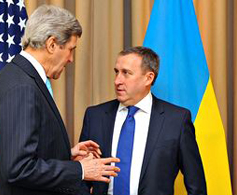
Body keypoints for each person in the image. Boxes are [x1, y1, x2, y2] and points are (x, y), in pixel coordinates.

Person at [0, 5, 120, 195]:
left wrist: (66, 154)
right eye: (70, 49)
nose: (71, 59)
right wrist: (81, 170)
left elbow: (24, 150)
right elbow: (19, 168)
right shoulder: (22, 87)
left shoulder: (20, 76)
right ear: (51, 44)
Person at [79, 46, 207, 195]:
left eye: (126, 73)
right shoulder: (95, 116)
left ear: (148, 78)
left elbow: (196, 184)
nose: (117, 81)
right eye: (116, 72)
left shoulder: (177, 120)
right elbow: (82, 177)